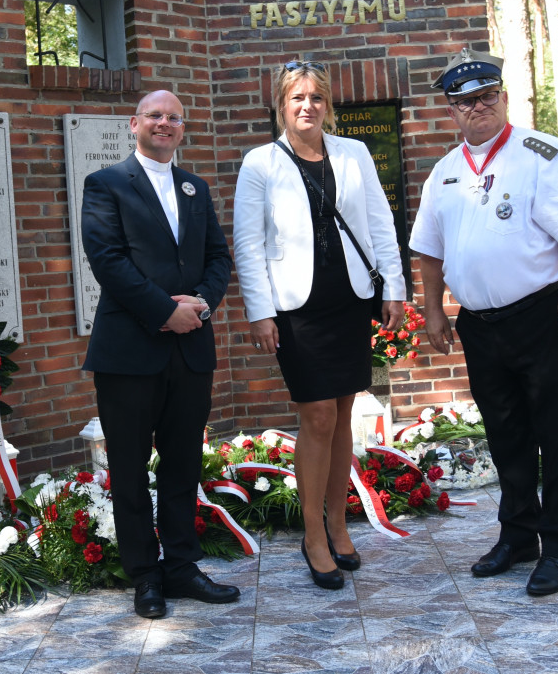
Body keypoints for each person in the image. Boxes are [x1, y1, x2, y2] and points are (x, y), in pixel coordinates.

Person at [409, 49, 558, 596]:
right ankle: (518, 536)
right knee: (506, 436)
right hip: (480, 325)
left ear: (503, 96)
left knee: (557, 435)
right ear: (450, 109)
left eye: (486, 95)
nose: (477, 107)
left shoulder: (541, 153)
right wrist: (432, 310)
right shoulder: (444, 172)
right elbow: (429, 250)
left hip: (542, 317)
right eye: (464, 101)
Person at [233, 60, 406, 590]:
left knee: (345, 409)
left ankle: (338, 521)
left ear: (327, 105)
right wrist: (259, 311)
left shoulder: (354, 154)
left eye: (315, 98)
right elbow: (249, 242)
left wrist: (394, 288)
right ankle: (313, 535)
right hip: (295, 307)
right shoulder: (259, 162)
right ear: (281, 106)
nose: (306, 106)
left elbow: (380, 222)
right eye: (296, 98)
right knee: (318, 416)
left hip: (350, 299)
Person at [81, 89, 238, 619]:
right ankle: (145, 576)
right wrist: (162, 310)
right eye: (155, 115)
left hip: (191, 345)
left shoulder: (195, 188)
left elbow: (218, 256)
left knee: (182, 463)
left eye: (174, 117)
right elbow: (108, 259)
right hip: (129, 350)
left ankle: (182, 567)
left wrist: (202, 305)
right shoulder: (105, 184)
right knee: (129, 468)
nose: (165, 123)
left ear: (182, 127)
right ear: (135, 124)